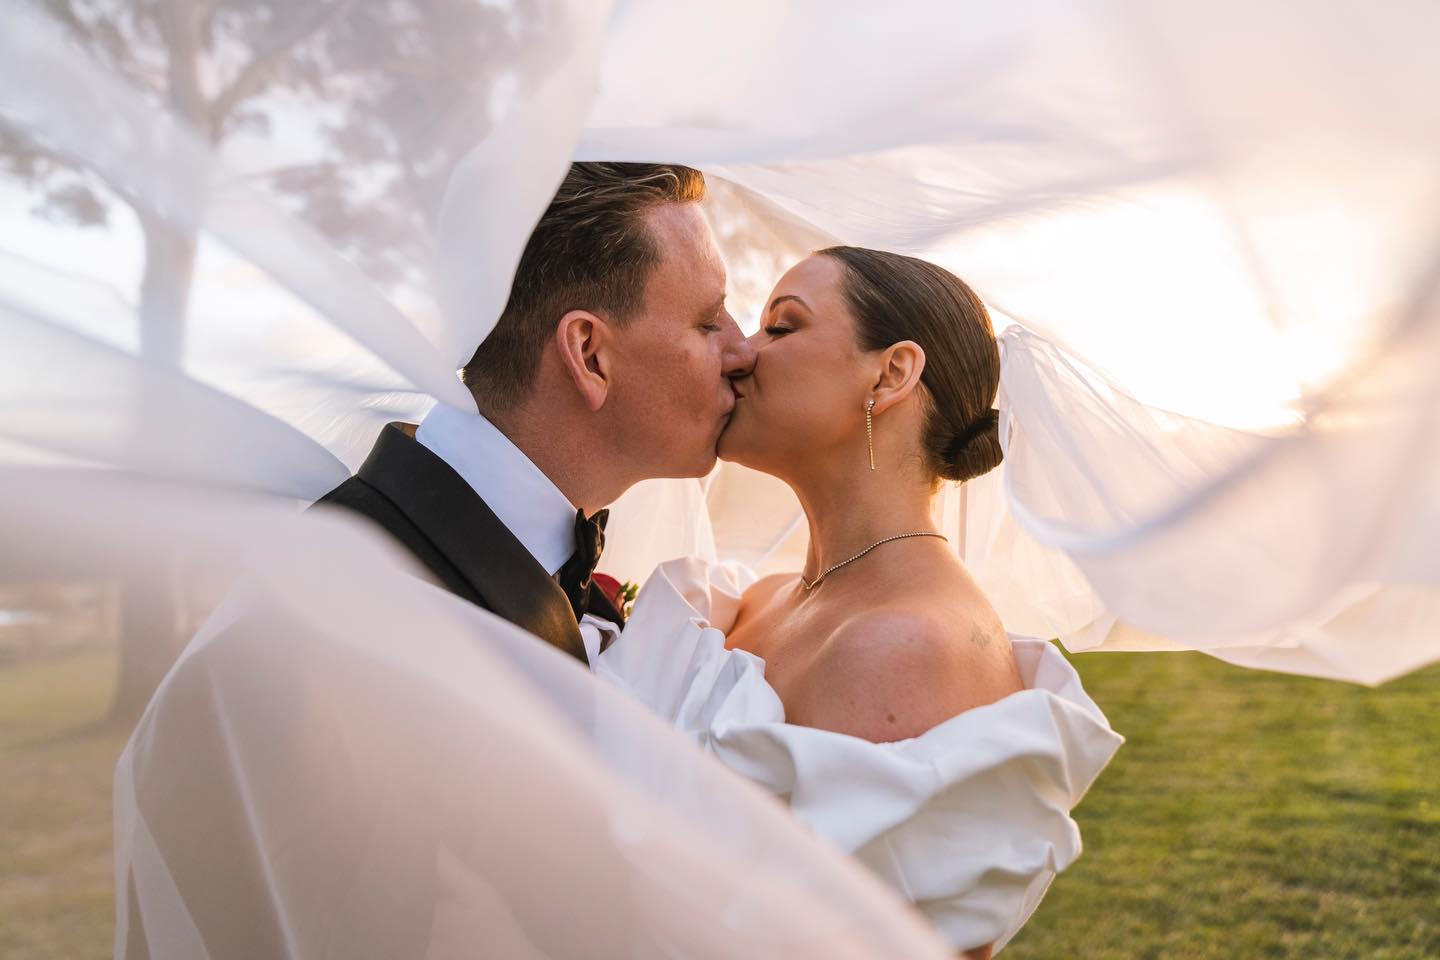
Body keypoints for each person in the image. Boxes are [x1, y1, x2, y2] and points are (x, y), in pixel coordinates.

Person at [587, 247, 1120, 957]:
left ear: (891, 372)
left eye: (782, 327)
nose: (740, 352)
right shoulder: (763, 599)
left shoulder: (905, 645)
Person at [314, 161, 755, 660]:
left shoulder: (556, 579)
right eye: (707, 322)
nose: (743, 351)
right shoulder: (354, 601)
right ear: (590, 356)